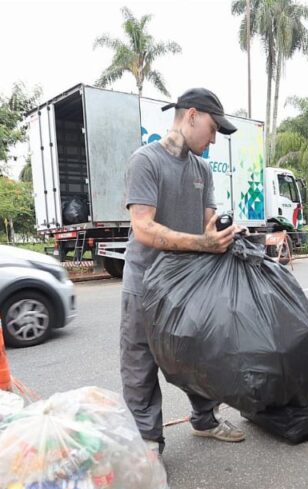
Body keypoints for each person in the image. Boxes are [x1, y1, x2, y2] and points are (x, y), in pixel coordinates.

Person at [121, 87, 247, 455]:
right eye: (212, 128)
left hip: (188, 285)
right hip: (145, 283)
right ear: (191, 115)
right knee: (140, 364)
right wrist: (202, 244)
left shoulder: (201, 169)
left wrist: (222, 234)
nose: (214, 138)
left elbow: (207, 225)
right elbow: (143, 227)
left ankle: (204, 420)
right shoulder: (146, 161)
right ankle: (148, 442)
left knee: (198, 353)